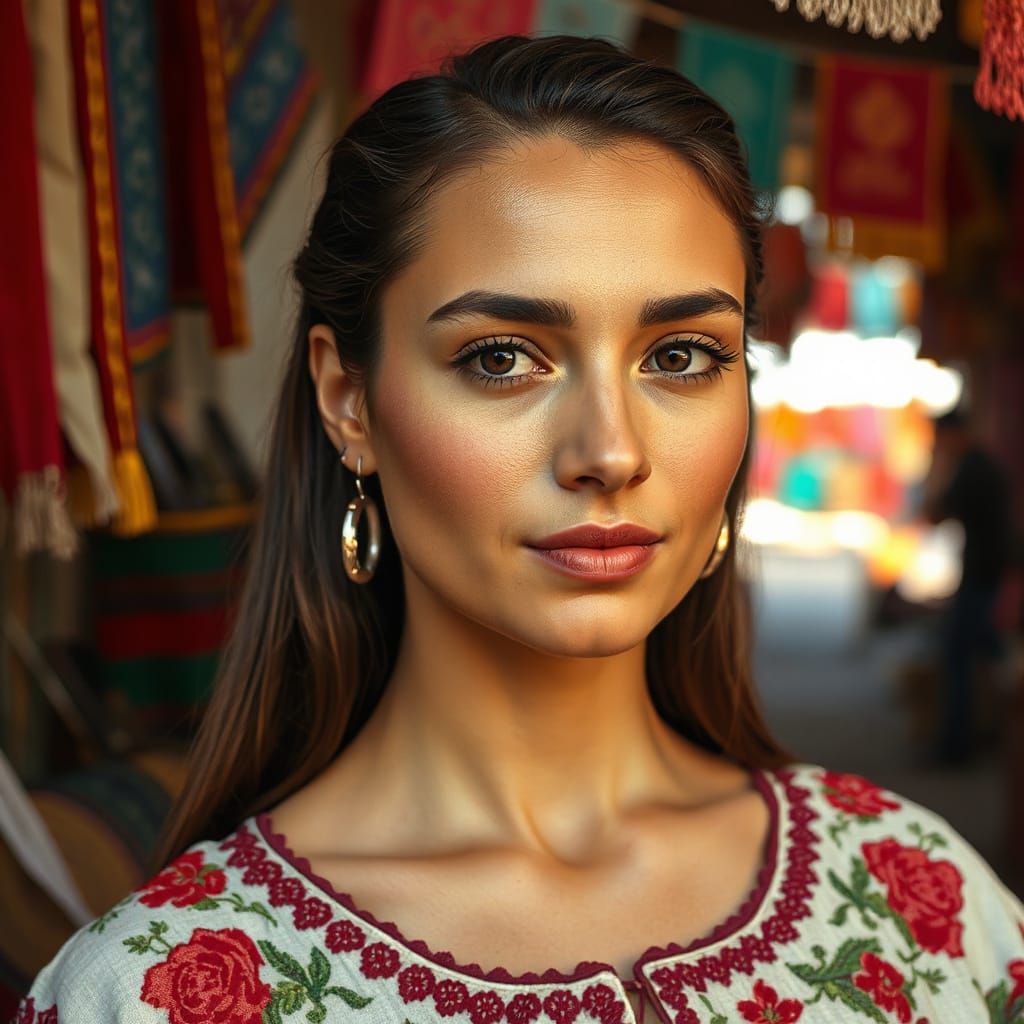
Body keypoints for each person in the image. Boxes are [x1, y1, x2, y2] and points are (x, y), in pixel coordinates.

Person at [16, 34, 1023, 1024]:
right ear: (347, 399)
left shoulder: (921, 908)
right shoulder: (150, 992)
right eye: (502, 357)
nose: (610, 450)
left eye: (679, 356)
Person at [923, 408, 1012, 764]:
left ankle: (957, 745)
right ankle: (988, 734)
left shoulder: (972, 469)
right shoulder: (983, 465)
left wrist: (938, 468)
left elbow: (934, 514)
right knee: (988, 655)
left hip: (981, 577)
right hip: (988, 574)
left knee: (959, 657)